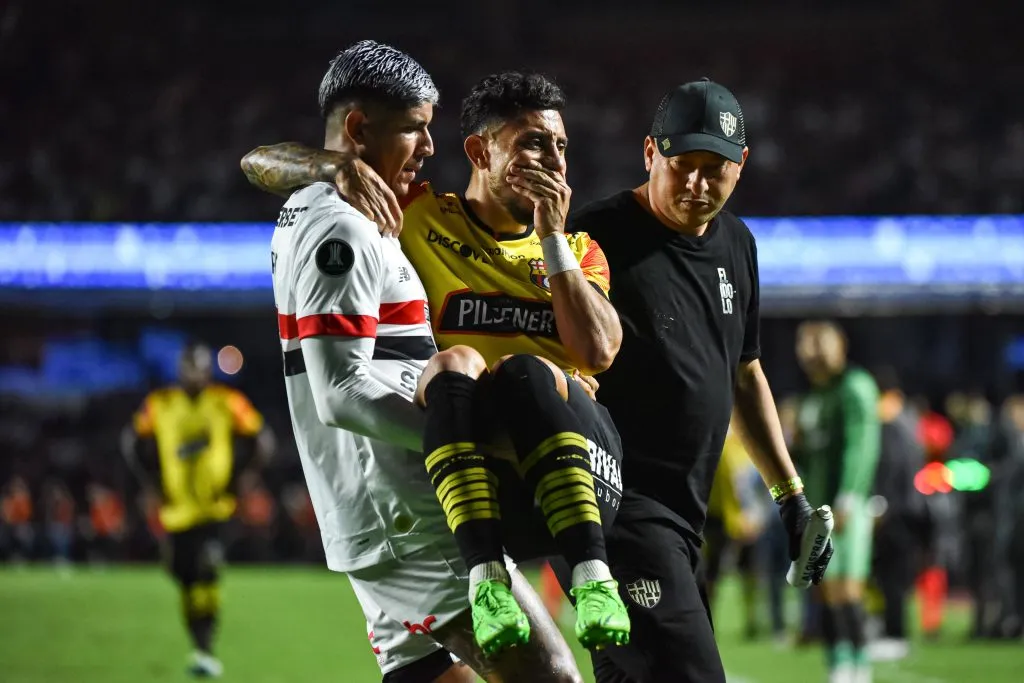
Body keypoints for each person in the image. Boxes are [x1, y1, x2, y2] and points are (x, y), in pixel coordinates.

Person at [246, 75, 830, 683]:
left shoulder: (581, 247)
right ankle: (500, 576)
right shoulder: (420, 221)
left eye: (560, 147)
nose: (553, 162)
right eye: (533, 145)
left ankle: (584, 572)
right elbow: (258, 163)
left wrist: (551, 238)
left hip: (577, 476)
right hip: (473, 486)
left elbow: (600, 350)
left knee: (523, 375)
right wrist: (328, 166)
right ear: (480, 153)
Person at [260, 41, 587, 683]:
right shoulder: (343, 230)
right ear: (358, 129)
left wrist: (330, 166)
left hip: (379, 505)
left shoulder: (316, 204)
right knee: (552, 676)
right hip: (404, 511)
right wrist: (476, 443)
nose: (430, 146)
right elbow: (341, 392)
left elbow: (260, 162)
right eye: (415, 128)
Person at [546, 77, 832, 683]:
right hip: (615, 508)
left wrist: (791, 497)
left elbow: (744, 372)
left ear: (742, 165)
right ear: (651, 153)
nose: (699, 185)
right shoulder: (596, 236)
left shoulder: (739, 244)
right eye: (683, 165)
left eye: (716, 168)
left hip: (685, 520)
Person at [122, 341, 275, 678]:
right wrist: (149, 482)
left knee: (208, 569)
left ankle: (206, 647)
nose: (194, 374)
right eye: (189, 368)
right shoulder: (161, 403)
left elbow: (261, 437)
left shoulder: (225, 401)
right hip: (177, 509)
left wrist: (244, 478)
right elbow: (132, 440)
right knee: (185, 577)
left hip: (217, 505)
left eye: (200, 368)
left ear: (208, 371)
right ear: (180, 370)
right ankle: (200, 644)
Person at [794, 321, 881, 683]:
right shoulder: (816, 395)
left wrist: (847, 498)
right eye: (806, 344)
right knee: (824, 588)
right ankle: (838, 661)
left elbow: (860, 448)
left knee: (846, 585)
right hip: (816, 506)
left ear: (840, 345)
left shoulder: (854, 387)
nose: (812, 351)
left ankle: (858, 662)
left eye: (820, 343)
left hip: (845, 505)